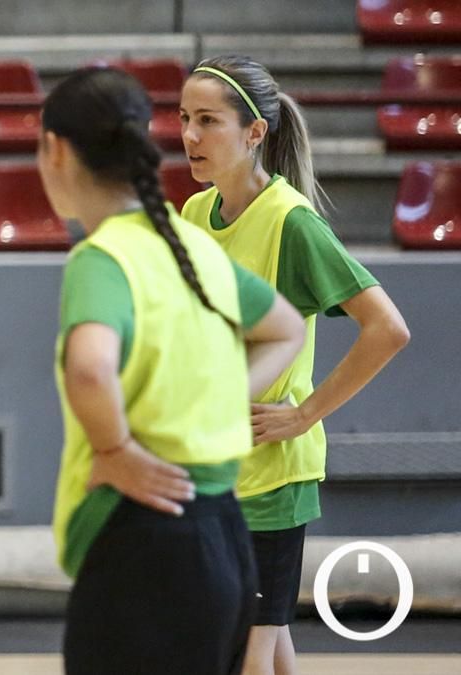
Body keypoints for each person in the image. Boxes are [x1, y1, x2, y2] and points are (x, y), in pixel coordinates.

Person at [41, 67, 308, 674]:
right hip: (224, 535)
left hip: (142, 544)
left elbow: (88, 370)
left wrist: (113, 448)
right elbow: (286, 327)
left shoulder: (103, 257)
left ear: (54, 150)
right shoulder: (190, 245)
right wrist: (216, 402)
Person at [178, 55, 411, 675]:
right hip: (216, 470)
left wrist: (304, 415)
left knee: (245, 652)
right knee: (269, 647)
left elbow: (387, 329)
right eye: (183, 118)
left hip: (272, 480)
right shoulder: (195, 215)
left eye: (208, 120)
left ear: (255, 132)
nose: (190, 136)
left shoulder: (291, 223)